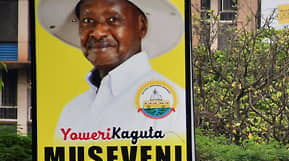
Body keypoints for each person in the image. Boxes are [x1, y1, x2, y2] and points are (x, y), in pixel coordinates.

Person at [39, 0, 187, 138]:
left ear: (141, 26)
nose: (97, 33)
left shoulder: (175, 103)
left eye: (113, 20)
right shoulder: (72, 110)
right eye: (88, 21)